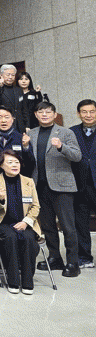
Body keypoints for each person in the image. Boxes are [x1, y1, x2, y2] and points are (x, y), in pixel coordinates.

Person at [28, 101, 82, 277]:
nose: (44, 115)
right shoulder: (31, 133)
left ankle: (73, 262)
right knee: (48, 226)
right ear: (36, 115)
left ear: (54, 114)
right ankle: (55, 258)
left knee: (68, 226)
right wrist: (25, 146)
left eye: (48, 112)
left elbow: (77, 156)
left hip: (62, 186)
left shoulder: (66, 133)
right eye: (40, 112)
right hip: (40, 185)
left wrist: (61, 146)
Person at [0, 149, 42, 294]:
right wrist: (1, 199)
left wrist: (26, 222)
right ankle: (13, 281)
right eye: (10, 162)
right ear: (1, 165)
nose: (14, 165)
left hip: (25, 222)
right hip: (4, 223)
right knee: (10, 237)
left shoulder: (28, 181)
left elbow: (36, 206)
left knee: (29, 239)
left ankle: (27, 281)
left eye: (17, 162)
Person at [71, 99, 96, 269]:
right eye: (84, 112)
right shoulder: (71, 132)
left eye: (92, 111)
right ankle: (85, 257)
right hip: (79, 184)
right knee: (81, 223)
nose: (88, 115)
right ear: (79, 114)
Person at [0, 106, 34, 178]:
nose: (3, 120)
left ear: (12, 119)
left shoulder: (20, 137)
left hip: (16, 179)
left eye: (7, 117)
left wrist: (26, 147)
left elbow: (30, 164)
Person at [0, 64, 23, 131]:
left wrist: (26, 125)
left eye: (13, 75)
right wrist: (0, 87)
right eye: (8, 75)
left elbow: (23, 108)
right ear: (1, 75)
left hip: (19, 124)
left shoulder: (19, 90)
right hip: (4, 123)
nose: (10, 77)